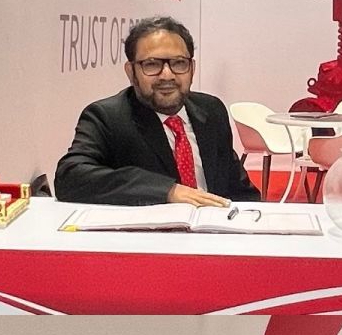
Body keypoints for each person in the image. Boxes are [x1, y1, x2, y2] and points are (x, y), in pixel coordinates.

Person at [55, 16, 259, 205]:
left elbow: (239, 190)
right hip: (153, 231)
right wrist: (167, 191)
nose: (167, 75)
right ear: (131, 72)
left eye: (179, 63)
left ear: (192, 68)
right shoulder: (107, 117)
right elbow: (70, 177)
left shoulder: (211, 110)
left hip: (215, 227)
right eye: (152, 65)